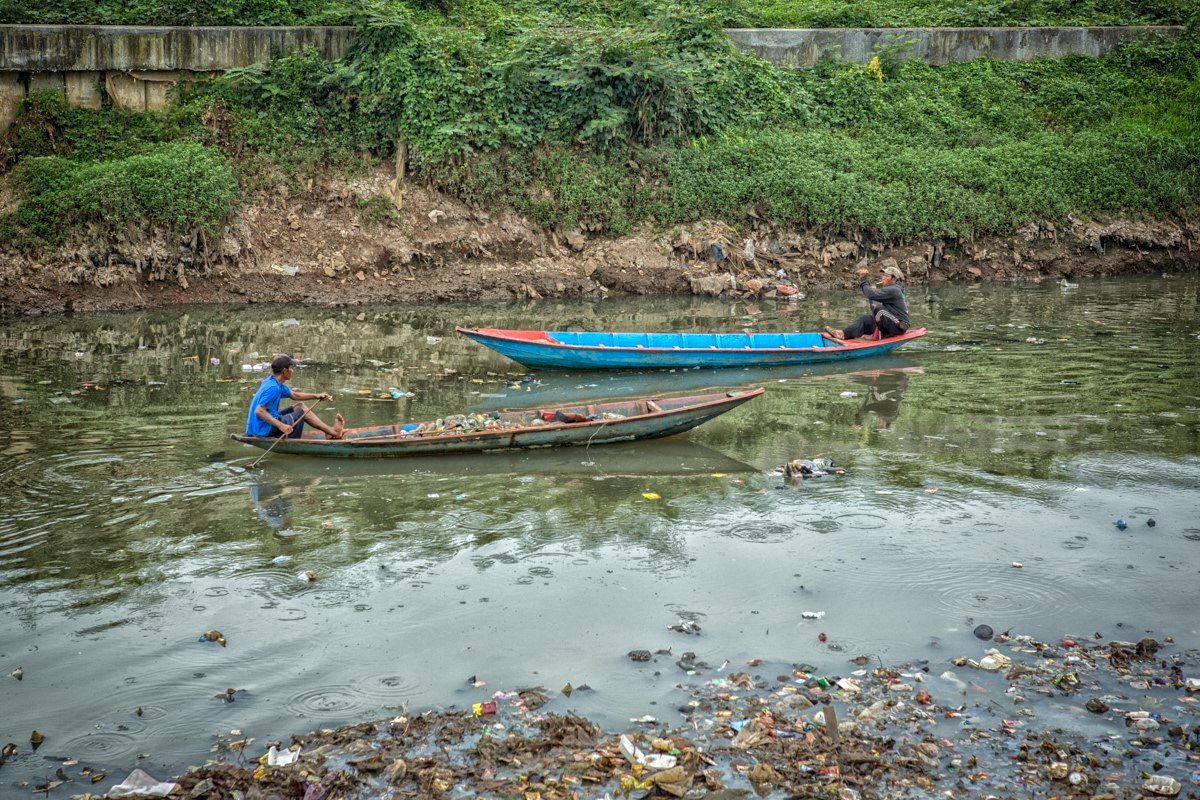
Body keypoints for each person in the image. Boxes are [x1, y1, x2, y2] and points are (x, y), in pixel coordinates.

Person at [244, 354, 345, 440]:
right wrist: (281, 425)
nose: (292, 370)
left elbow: (294, 395)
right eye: (291, 368)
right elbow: (259, 411)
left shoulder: (273, 382)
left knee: (300, 406)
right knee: (302, 413)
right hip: (262, 429)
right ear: (284, 371)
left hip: (260, 425)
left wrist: (316, 396)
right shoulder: (273, 388)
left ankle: (330, 432)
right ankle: (333, 433)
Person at [825, 265, 911, 340]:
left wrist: (863, 279)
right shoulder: (893, 289)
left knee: (879, 309)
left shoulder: (894, 290)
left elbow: (870, 294)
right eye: (883, 275)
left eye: (887, 276)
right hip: (893, 322)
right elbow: (890, 307)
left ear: (894, 279)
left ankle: (880, 334)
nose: (883, 278)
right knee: (865, 319)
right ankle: (843, 334)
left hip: (899, 326)